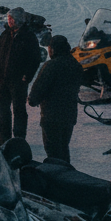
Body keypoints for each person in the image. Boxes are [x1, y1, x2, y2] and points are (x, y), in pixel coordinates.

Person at [26, 34, 85, 162]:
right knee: (64, 147)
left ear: (53, 49)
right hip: (69, 114)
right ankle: (67, 174)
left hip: (51, 115)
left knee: (53, 150)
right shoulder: (75, 64)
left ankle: (57, 175)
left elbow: (40, 87)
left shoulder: (51, 66)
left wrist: (32, 100)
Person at [0, 8, 42, 143]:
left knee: (19, 110)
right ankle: (4, 135)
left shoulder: (28, 36)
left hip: (18, 80)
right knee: (3, 108)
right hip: (2, 78)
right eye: (8, 18)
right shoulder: (5, 35)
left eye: (12, 18)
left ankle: (19, 138)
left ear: (19, 20)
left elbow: (35, 59)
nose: (9, 21)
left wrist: (27, 76)